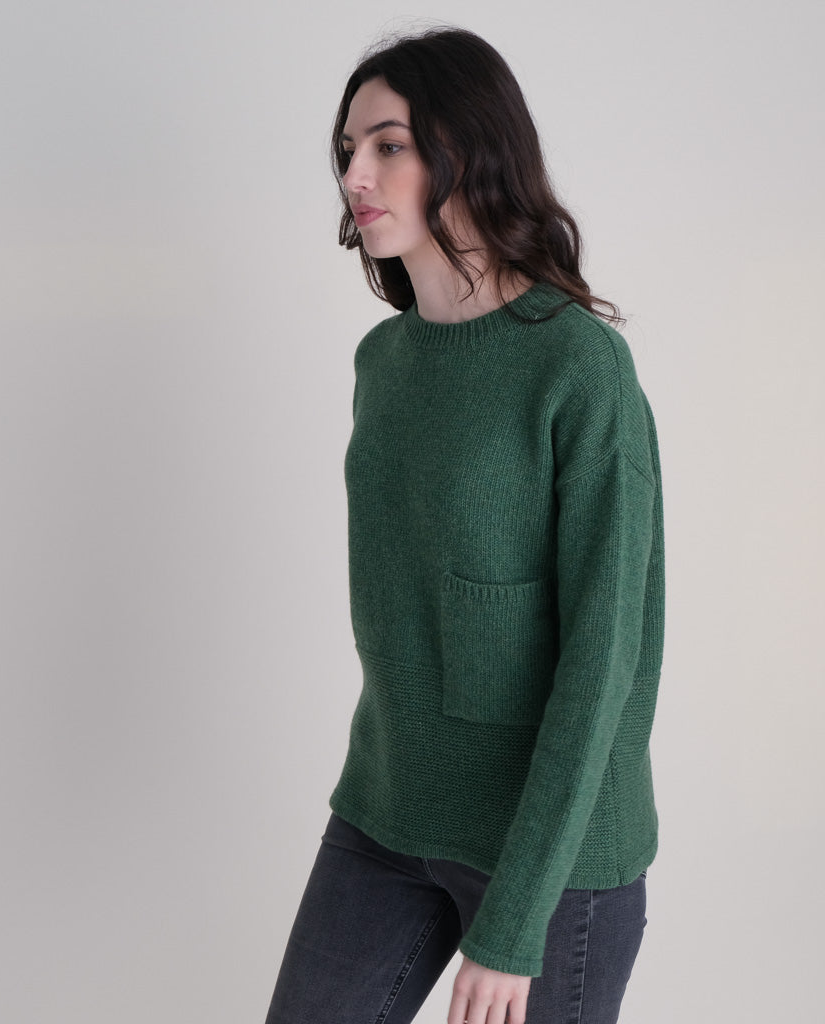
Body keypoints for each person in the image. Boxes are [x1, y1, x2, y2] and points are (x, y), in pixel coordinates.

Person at [265, 27, 664, 1024]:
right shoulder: (384, 364)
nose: (354, 175)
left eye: (388, 144)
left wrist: (516, 918)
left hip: (555, 847)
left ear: (469, 148)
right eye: (347, 150)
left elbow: (605, 659)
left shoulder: (577, 366)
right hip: (388, 809)